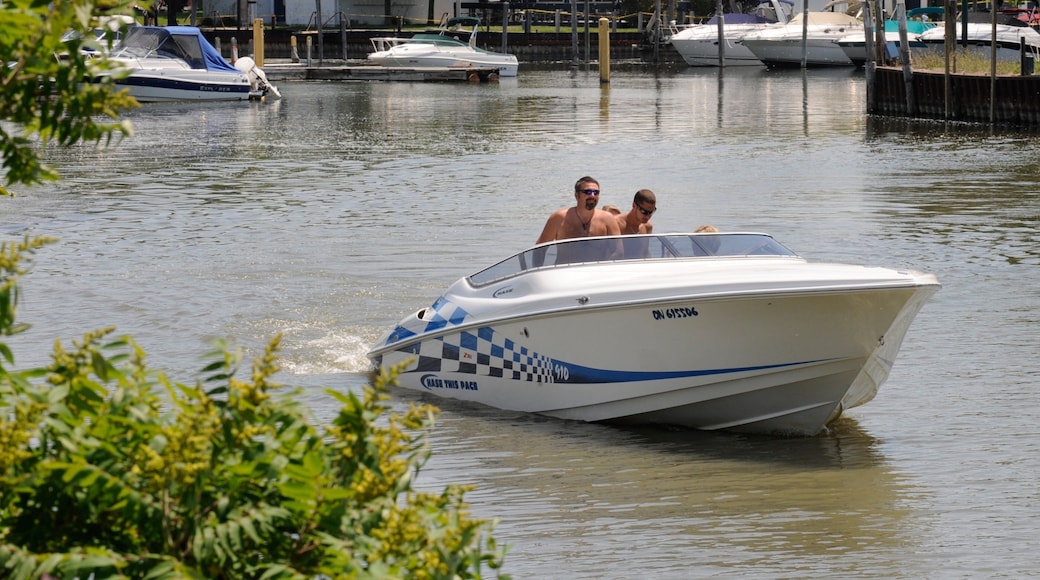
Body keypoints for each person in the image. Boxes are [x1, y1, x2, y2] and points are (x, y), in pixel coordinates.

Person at [534, 176, 621, 265]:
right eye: (587, 192)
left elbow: (618, 252)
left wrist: (603, 269)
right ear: (576, 195)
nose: (592, 195)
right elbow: (539, 249)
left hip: (596, 273)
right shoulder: (558, 218)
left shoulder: (607, 219)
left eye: (596, 192)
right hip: (565, 272)